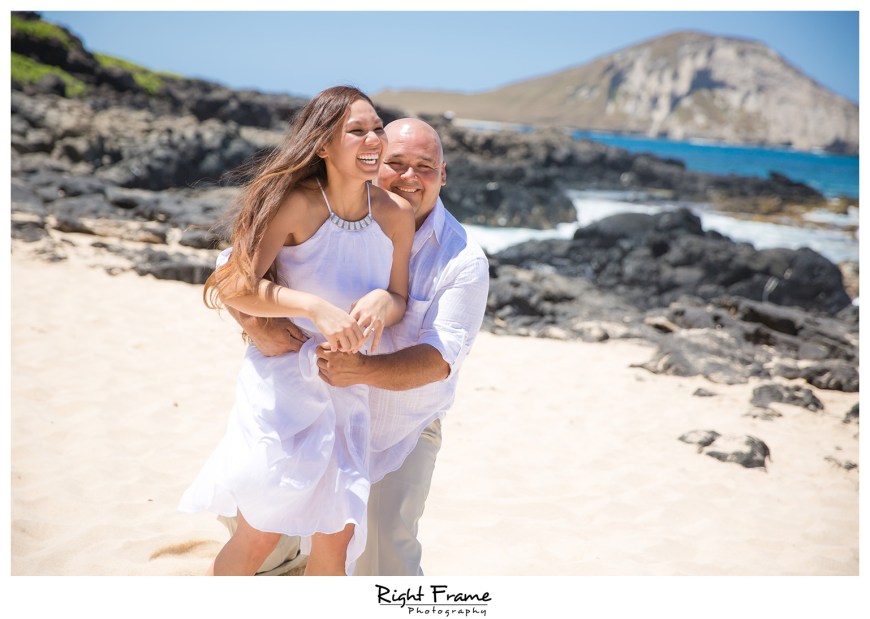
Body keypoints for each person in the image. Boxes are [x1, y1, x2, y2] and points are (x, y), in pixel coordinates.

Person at [230, 117, 490, 575]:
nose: (409, 177)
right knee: (263, 548)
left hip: (400, 429)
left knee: (384, 567)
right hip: (308, 411)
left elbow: (439, 360)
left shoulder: (463, 259)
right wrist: (256, 324)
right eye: (396, 163)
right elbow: (231, 271)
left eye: (425, 167)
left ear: (443, 174)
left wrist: (361, 371)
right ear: (371, 161)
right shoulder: (328, 207)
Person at [178, 86, 415, 577]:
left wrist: (382, 302)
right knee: (260, 534)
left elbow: (399, 298)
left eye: (377, 128)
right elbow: (234, 285)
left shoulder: (396, 213)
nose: (374, 139)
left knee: (336, 538)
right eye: (357, 130)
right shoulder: (296, 204)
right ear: (323, 145)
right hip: (282, 387)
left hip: (347, 388)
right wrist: (311, 306)